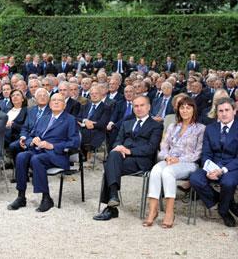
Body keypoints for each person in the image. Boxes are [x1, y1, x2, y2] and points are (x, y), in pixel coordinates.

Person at [94, 96, 163, 221]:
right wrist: (119, 148)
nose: (139, 108)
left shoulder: (156, 126)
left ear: (148, 107)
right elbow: (116, 142)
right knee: (114, 156)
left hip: (142, 161)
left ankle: (112, 206)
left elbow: (151, 148)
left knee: (110, 165)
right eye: (136, 106)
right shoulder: (127, 123)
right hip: (122, 159)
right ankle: (113, 198)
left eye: (142, 105)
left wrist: (129, 151)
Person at [7, 93, 80, 212]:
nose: (56, 102)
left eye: (59, 100)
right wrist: (32, 141)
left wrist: (52, 146)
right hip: (38, 150)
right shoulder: (44, 118)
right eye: (54, 100)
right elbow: (31, 135)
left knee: (37, 159)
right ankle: (21, 196)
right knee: (21, 156)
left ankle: (46, 198)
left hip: (57, 155)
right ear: (50, 104)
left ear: (64, 104)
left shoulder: (70, 120)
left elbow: (74, 142)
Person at [143, 97, 205, 228]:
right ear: (178, 110)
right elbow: (163, 146)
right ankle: (153, 210)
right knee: (155, 171)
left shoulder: (200, 128)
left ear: (194, 110)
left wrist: (179, 160)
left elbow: (198, 154)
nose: (185, 110)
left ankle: (169, 212)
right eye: (182, 107)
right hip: (170, 160)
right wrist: (167, 157)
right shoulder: (172, 126)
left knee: (167, 172)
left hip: (189, 163)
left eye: (188, 107)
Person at [190, 97, 238, 227]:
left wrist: (222, 170)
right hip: (212, 165)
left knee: (228, 182)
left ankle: (223, 211)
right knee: (194, 178)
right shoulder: (210, 128)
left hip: (232, 167)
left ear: (234, 111)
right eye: (220, 111)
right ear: (217, 113)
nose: (224, 113)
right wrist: (209, 168)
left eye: (227, 110)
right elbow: (206, 153)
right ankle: (226, 203)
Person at [77, 85, 111, 158]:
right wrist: (85, 121)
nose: (94, 95)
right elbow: (78, 117)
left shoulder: (106, 108)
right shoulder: (85, 105)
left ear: (101, 95)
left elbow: (102, 123)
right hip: (82, 130)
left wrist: (91, 124)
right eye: (92, 94)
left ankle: (83, 156)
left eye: (96, 93)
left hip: (96, 132)